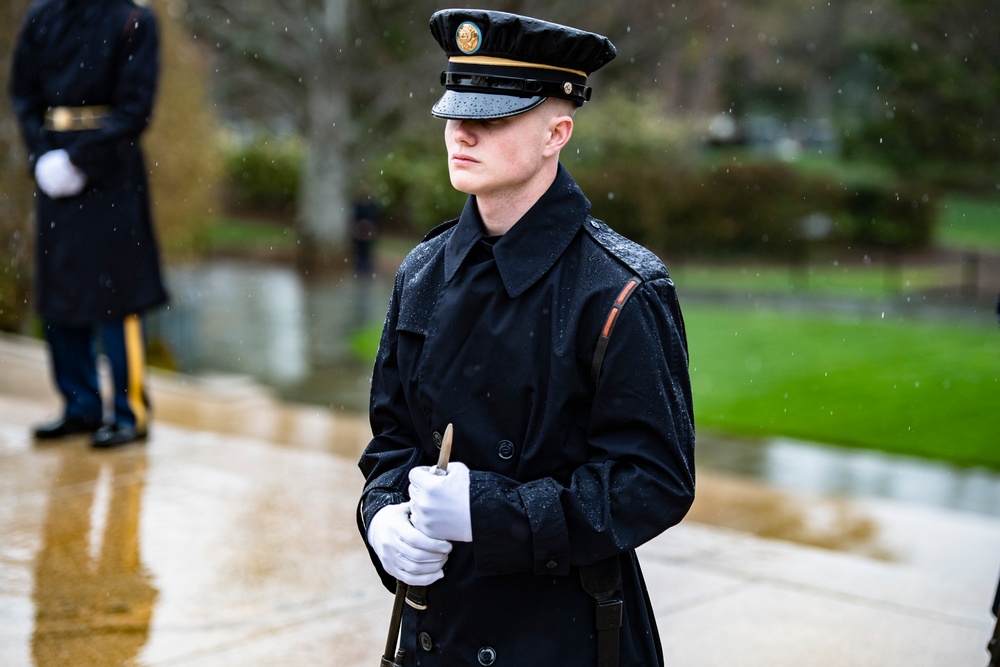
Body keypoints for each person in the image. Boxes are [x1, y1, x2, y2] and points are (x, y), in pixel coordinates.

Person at [357, 9, 695, 666]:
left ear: (556, 133)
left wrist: (494, 512)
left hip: (562, 638)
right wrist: (380, 515)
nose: (462, 132)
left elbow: (654, 480)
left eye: (493, 117)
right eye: (457, 112)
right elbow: (393, 440)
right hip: (436, 635)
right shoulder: (423, 273)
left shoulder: (622, 288)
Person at [9, 0, 168, 448]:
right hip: (54, 168)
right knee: (61, 290)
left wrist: (81, 161)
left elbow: (134, 107)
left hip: (111, 175)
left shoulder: (133, 18)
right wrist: (42, 155)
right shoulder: (43, 15)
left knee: (118, 293)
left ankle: (127, 411)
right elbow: (23, 91)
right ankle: (78, 404)